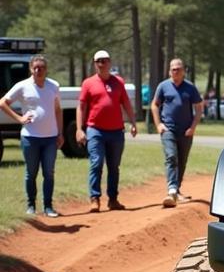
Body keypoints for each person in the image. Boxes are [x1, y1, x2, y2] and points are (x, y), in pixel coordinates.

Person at [0, 53, 63, 217]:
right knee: (31, 172)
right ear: (30, 69)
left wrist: (60, 133)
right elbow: (2, 103)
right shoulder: (22, 86)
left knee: (49, 172)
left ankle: (48, 206)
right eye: (35, 68)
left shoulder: (53, 86)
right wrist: (19, 118)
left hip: (50, 138)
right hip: (30, 137)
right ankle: (31, 205)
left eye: (41, 68)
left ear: (46, 69)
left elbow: (57, 110)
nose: (38, 70)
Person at [76, 50, 136, 211]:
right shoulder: (88, 83)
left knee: (114, 166)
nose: (102, 64)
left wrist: (133, 122)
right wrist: (79, 129)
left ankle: (113, 199)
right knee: (96, 163)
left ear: (110, 62)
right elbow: (81, 107)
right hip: (95, 130)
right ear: (95, 64)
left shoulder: (119, 82)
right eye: (99, 61)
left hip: (116, 131)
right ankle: (94, 198)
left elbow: (126, 104)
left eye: (105, 60)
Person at [151, 58, 203, 207]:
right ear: (169, 71)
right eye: (173, 69)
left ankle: (176, 190)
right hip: (168, 129)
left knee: (182, 160)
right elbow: (155, 105)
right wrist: (159, 124)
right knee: (171, 156)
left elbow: (199, 107)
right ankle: (172, 190)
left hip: (186, 131)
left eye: (178, 69)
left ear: (183, 71)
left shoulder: (190, 88)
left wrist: (193, 126)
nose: (176, 71)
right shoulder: (163, 86)